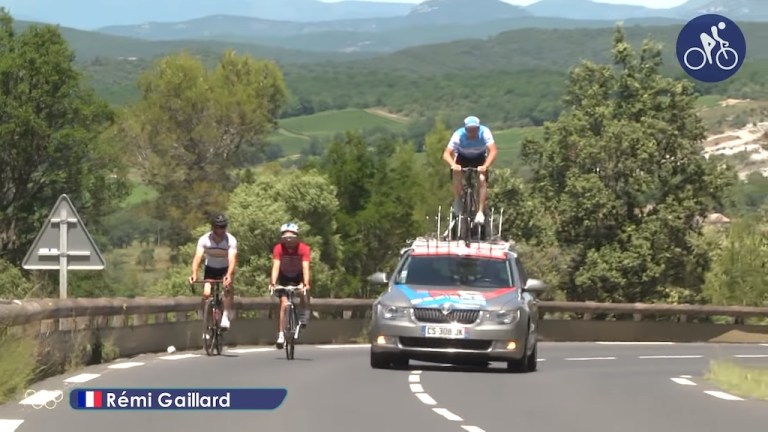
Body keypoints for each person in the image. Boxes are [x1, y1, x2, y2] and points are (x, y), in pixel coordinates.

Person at [442, 115, 498, 225]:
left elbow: (493, 151)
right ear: (465, 129)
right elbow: (446, 153)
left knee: (481, 179)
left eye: (475, 129)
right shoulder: (458, 134)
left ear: (478, 128)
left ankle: (480, 212)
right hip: (462, 157)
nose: (472, 132)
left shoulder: (485, 132)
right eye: (469, 130)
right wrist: (453, 164)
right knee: (456, 173)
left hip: (479, 157)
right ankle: (458, 200)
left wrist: (485, 166)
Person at [188, 214, 238, 330]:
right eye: (217, 227)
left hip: (225, 268)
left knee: (227, 288)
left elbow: (232, 259)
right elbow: (197, 257)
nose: (220, 230)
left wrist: (229, 275)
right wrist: (194, 273)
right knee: (206, 294)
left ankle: (225, 316)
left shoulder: (230, 240)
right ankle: (209, 323)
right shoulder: (204, 239)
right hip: (210, 268)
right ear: (212, 227)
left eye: (223, 227)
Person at [269, 222, 311, 349]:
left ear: (296, 237)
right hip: (284, 277)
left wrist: (306, 283)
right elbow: (276, 266)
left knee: (303, 292)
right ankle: (281, 334)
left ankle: (303, 314)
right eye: (285, 238)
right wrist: (272, 282)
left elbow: (305, 267)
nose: (288, 241)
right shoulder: (278, 248)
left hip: (298, 275)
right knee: (283, 303)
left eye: (291, 238)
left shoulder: (304, 248)